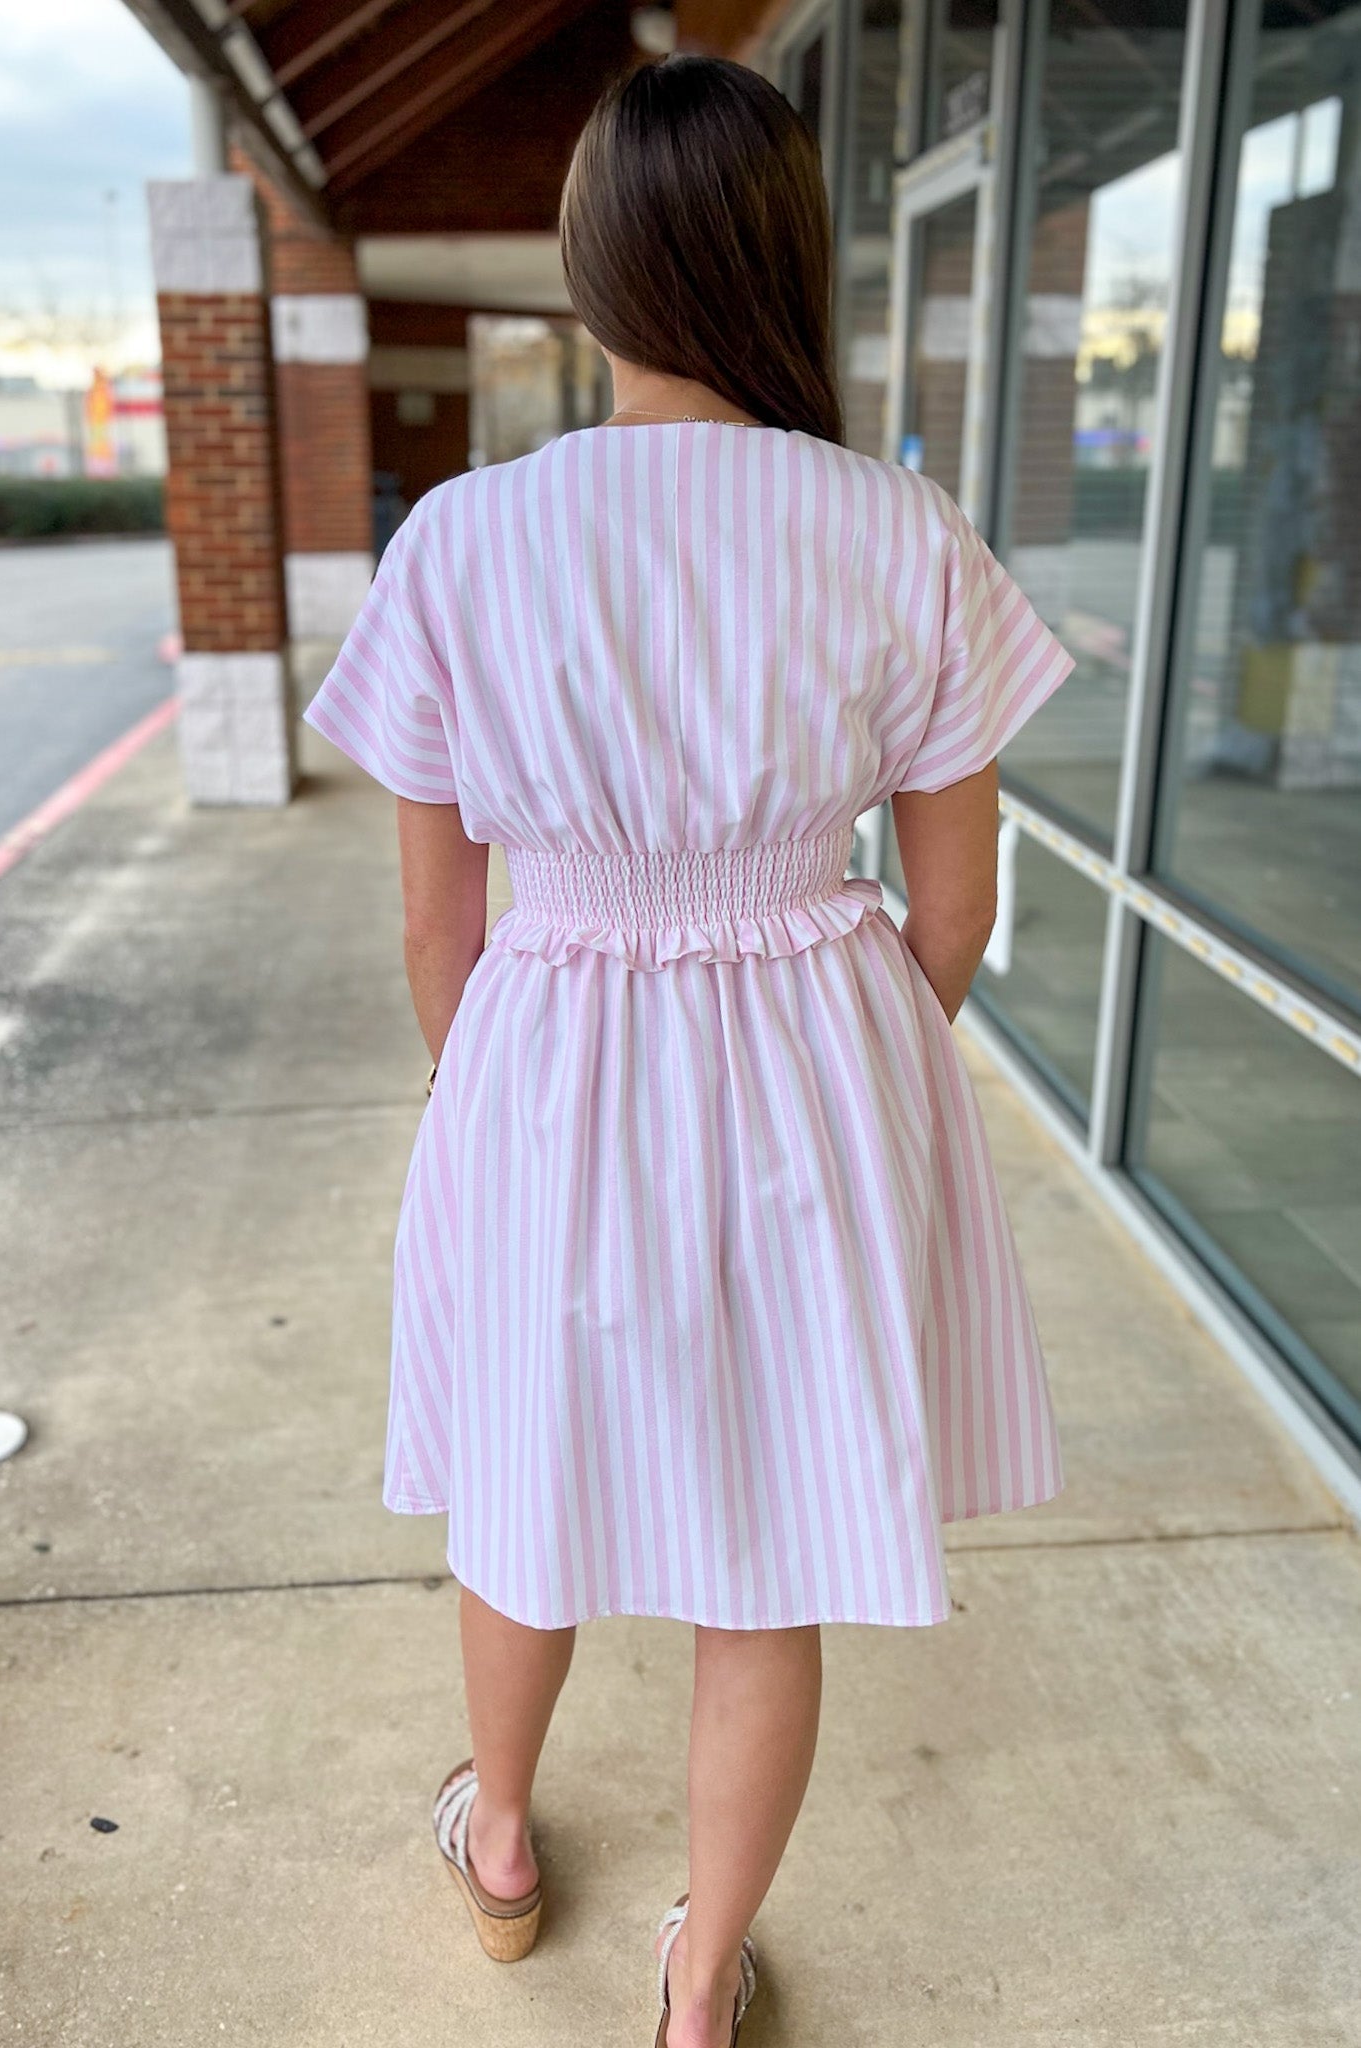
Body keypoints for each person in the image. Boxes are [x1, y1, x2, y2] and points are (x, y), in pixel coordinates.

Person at [302, 49, 1075, 2048]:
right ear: (782, 261)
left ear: (591, 271)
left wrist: (499, 1112)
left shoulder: (467, 539)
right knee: (771, 1547)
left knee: (528, 1485)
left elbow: (434, 919)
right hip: (817, 1056)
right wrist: (849, 1071)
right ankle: (702, 1983)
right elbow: (960, 906)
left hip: (548, 1058)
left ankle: (496, 1848)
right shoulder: (898, 529)